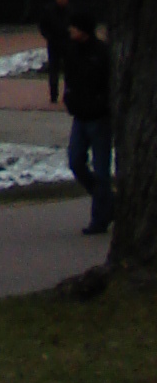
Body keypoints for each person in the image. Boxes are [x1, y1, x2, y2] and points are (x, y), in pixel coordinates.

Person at [62, 18, 113, 239]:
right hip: (80, 116)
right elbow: (71, 79)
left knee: (101, 169)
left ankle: (99, 218)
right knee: (75, 160)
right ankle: (107, 200)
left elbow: (108, 82)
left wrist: (102, 103)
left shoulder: (101, 53)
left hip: (99, 117)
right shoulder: (73, 51)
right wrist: (69, 99)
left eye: (74, 27)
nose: (71, 30)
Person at [43, 0, 72, 107]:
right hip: (54, 43)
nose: (66, 0)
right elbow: (43, 26)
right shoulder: (48, 10)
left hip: (67, 43)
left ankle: (68, 94)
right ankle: (53, 95)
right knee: (54, 70)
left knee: (69, 70)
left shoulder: (70, 10)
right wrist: (49, 37)